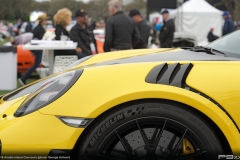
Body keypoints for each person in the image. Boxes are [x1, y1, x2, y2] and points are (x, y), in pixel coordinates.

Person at [18, 13, 49, 86]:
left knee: (36, 64)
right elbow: (39, 40)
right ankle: (24, 78)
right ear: (42, 21)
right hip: (38, 49)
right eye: (45, 20)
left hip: (37, 49)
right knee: (36, 65)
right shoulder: (40, 29)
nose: (46, 21)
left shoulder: (37, 28)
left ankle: (24, 78)